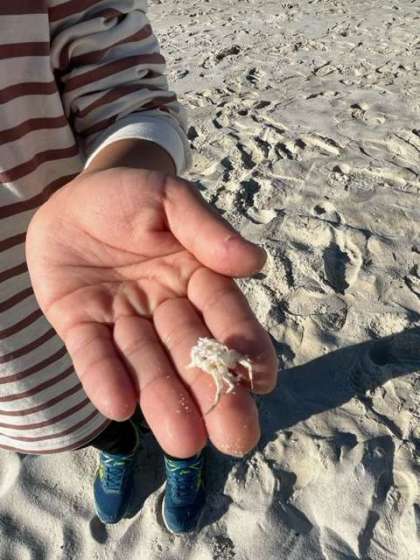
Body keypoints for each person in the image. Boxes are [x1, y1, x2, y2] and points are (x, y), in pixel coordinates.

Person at [0, 1, 278, 534]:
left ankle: (184, 456)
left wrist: (127, 162)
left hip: (94, 269)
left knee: (171, 392)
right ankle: (118, 446)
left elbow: (124, 84)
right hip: (16, 385)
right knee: (96, 418)